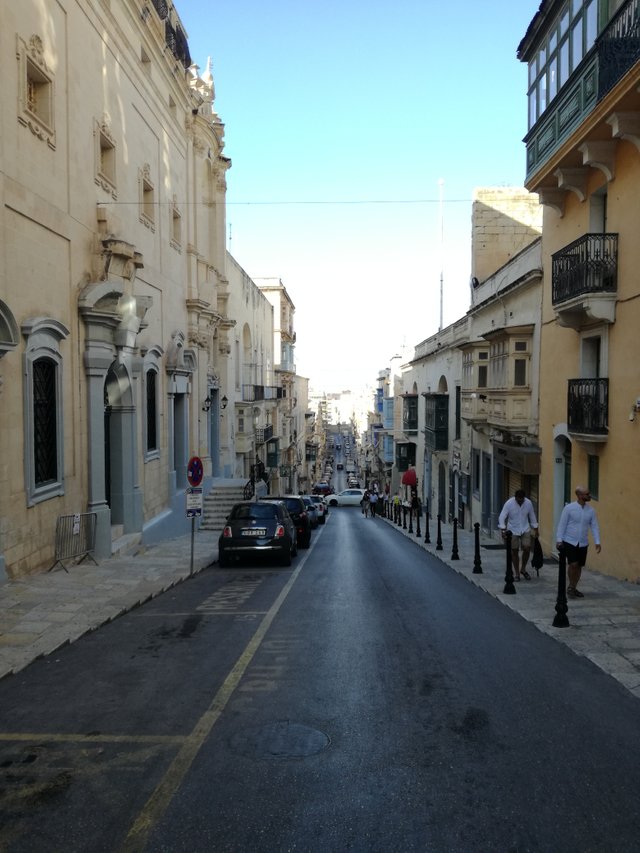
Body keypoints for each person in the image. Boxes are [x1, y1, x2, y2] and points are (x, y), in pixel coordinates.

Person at [556, 485, 601, 598]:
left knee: (579, 565)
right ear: (580, 496)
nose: (589, 495)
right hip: (569, 541)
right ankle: (571, 586)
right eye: (587, 494)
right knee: (573, 564)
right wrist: (559, 540)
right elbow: (562, 524)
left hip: (583, 542)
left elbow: (594, 526)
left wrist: (597, 541)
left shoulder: (591, 511)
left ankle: (573, 587)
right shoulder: (569, 508)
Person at [498, 489, 539, 581]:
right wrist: (503, 529)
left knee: (527, 548)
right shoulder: (509, 503)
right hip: (512, 529)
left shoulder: (528, 503)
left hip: (525, 528)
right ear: (515, 498)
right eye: (518, 500)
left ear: (524, 498)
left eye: (522, 500)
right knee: (514, 551)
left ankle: (523, 569)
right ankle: (517, 573)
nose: (520, 501)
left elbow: (532, 516)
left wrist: (535, 528)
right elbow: (502, 516)